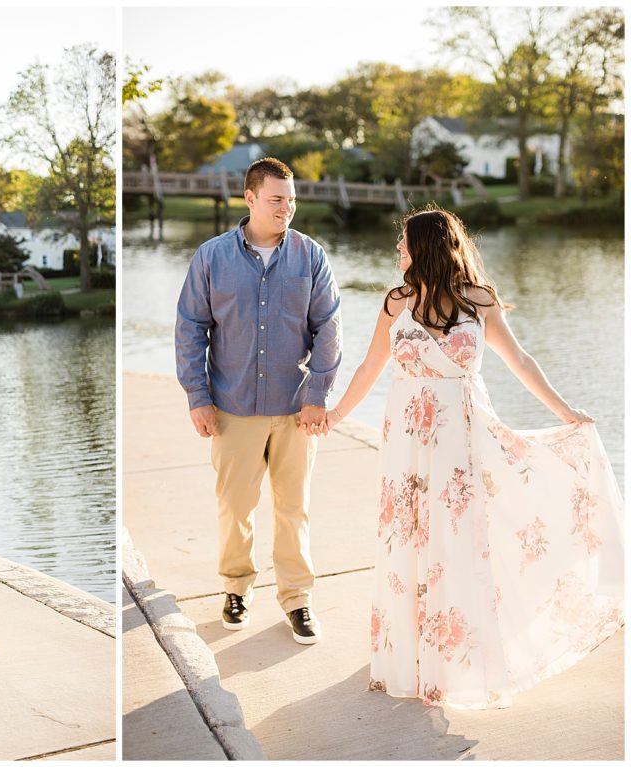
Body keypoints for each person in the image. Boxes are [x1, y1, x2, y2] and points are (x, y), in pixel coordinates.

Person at [325, 207, 624, 708]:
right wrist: (334, 416)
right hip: (407, 440)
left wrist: (566, 410)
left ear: (427, 248)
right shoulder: (396, 302)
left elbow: (521, 361)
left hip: (463, 435)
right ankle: (408, 655)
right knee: (410, 534)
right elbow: (369, 367)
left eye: (404, 243)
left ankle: (456, 659)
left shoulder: (479, 300)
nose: (398, 251)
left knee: (458, 540)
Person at [175, 157, 342, 642]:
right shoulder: (211, 257)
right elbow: (191, 328)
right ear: (249, 198)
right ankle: (236, 588)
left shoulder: (311, 256)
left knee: (294, 508)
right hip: (231, 408)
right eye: (276, 199)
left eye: (291, 200)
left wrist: (317, 394)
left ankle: (297, 599)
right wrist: (197, 396)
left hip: (296, 408)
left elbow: (328, 327)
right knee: (235, 507)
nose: (286, 208)